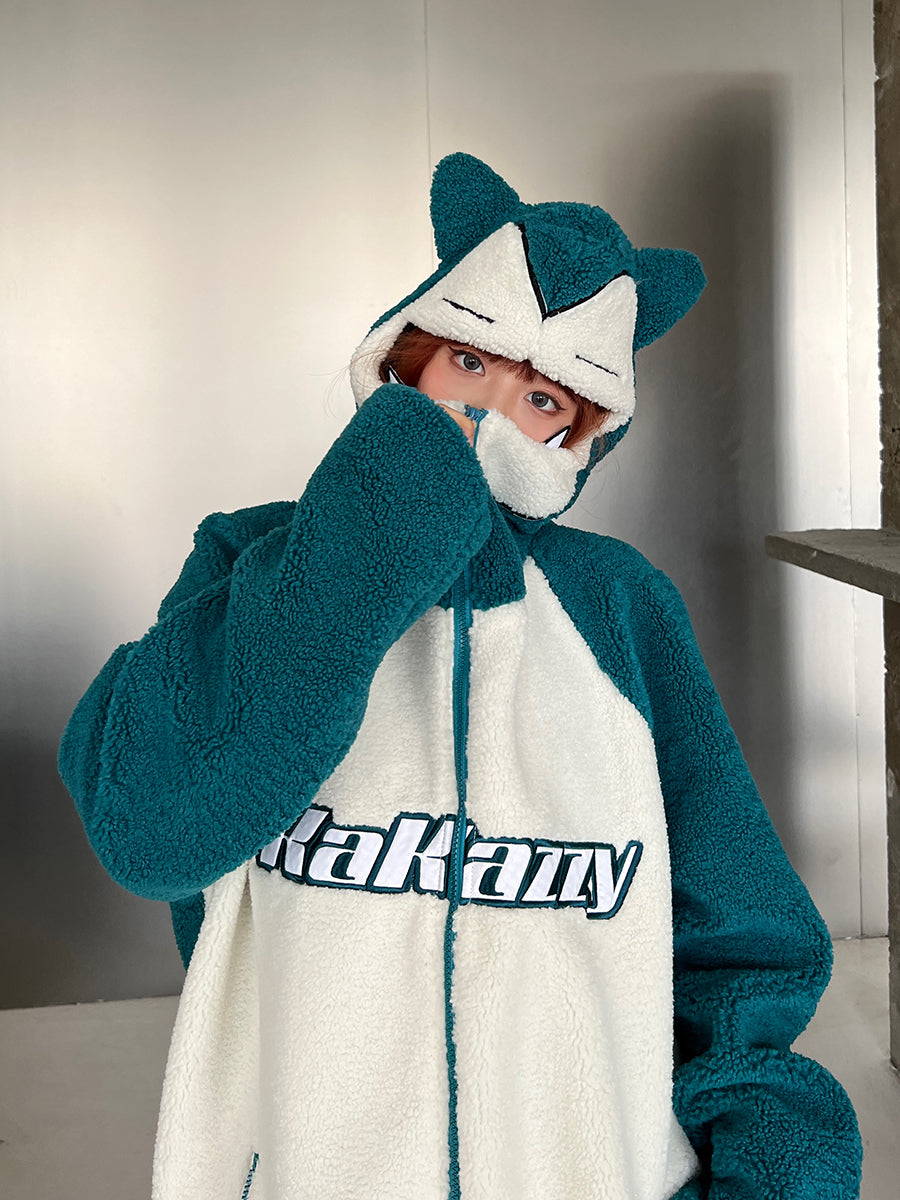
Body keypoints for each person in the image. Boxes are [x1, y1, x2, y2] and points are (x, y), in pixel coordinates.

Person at [58, 152, 861, 1200]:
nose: (489, 412)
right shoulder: (255, 559)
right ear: (407, 354)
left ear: (583, 437)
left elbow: (738, 921)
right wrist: (363, 539)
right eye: (470, 362)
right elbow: (152, 828)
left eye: (542, 397)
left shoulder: (620, 607)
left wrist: (766, 1150)